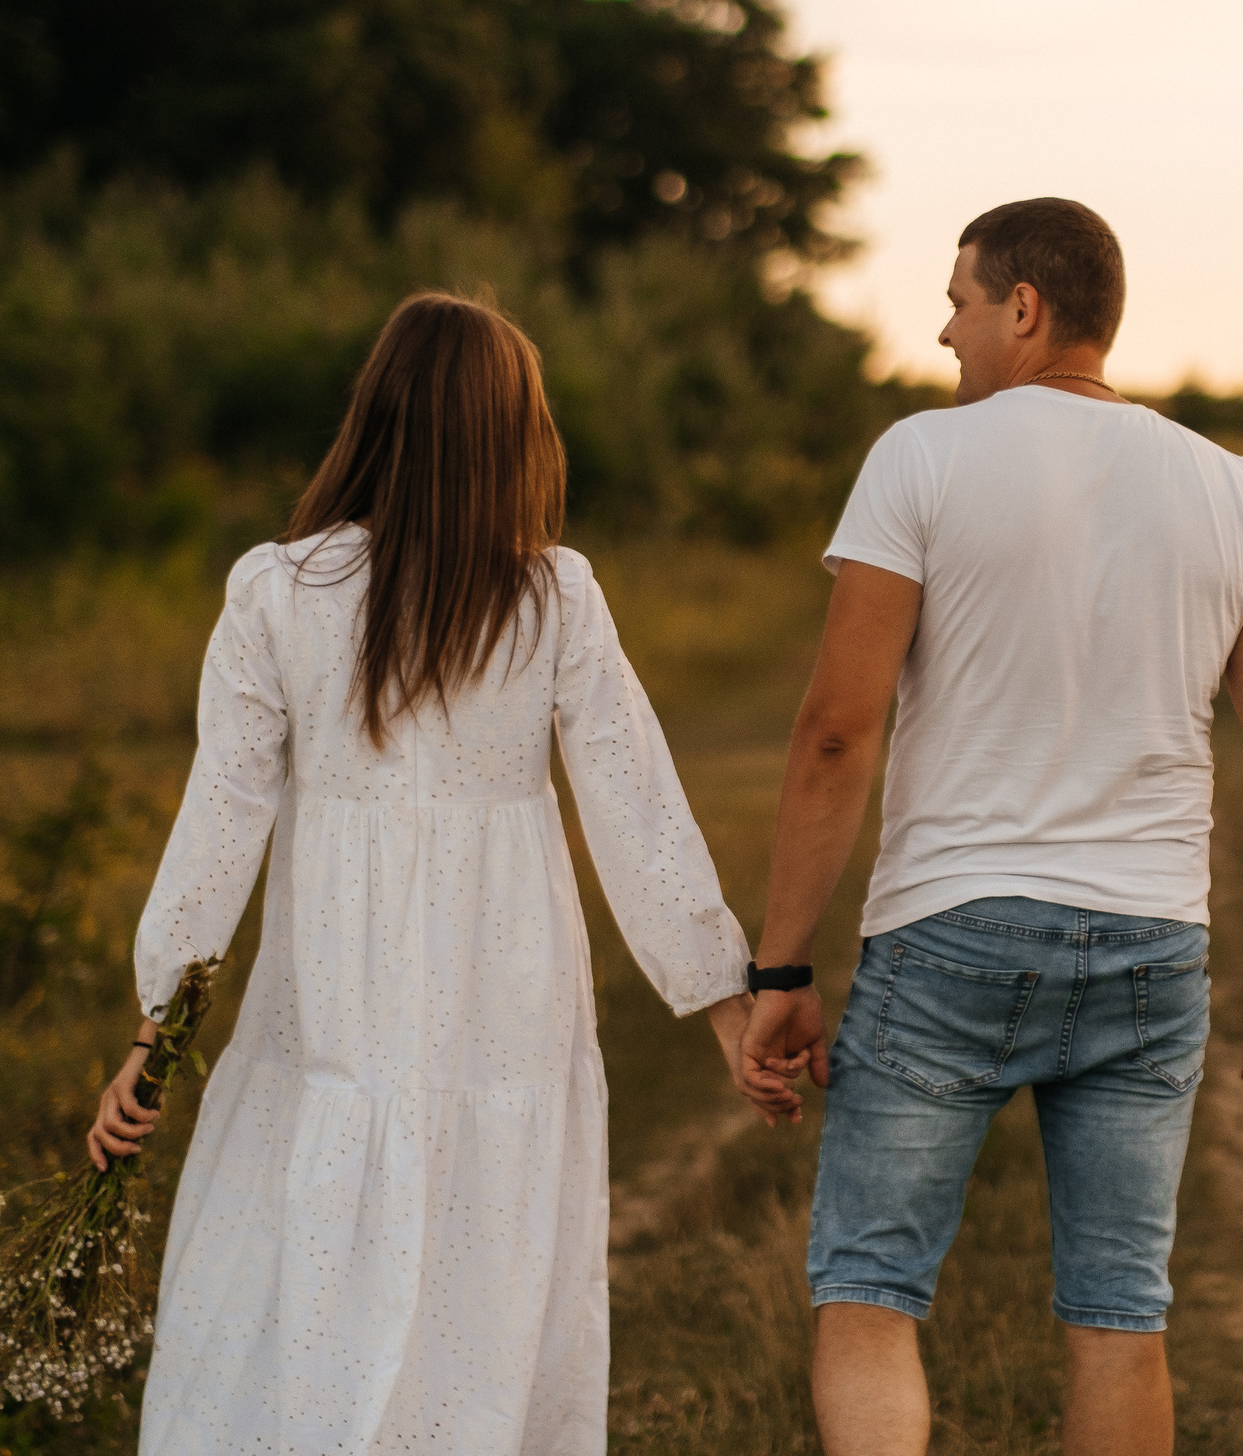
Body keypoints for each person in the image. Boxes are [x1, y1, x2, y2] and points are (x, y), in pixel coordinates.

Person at [83, 292, 796, 1455]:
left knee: (308, 1264)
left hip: (335, 989)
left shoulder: (277, 587)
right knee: (485, 1275)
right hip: (499, 988)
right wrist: (722, 1001)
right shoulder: (550, 595)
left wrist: (158, 1027)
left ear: (375, 415)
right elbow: (634, 807)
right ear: (513, 436)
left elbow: (221, 821)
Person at [740, 198, 1243, 1456]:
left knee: (868, 1293)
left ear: (1024, 308)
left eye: (958, 299)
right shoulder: (1233, 490)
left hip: (951, 931)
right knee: (1122, 1315)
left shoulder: (919, 459)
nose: (943, 329)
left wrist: (782, 968)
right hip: (1149, 948)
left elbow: (837, 732)